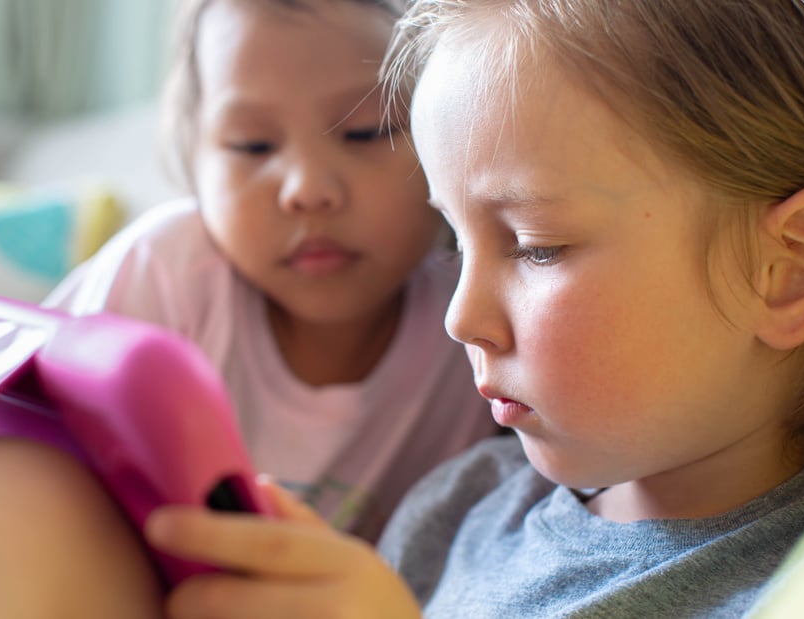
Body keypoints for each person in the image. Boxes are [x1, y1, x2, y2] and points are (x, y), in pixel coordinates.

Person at [0, 0, 804, 617]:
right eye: (453, 241)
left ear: (791, 270)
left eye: (535, 245)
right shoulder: (458, 505)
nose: (456, 316)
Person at [39, 0, 495, 540]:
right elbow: (20, 455)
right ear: (195, 162)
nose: (307, 189)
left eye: (365, 132)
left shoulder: (478, 316)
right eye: (253, 145)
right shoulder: (167, 274)